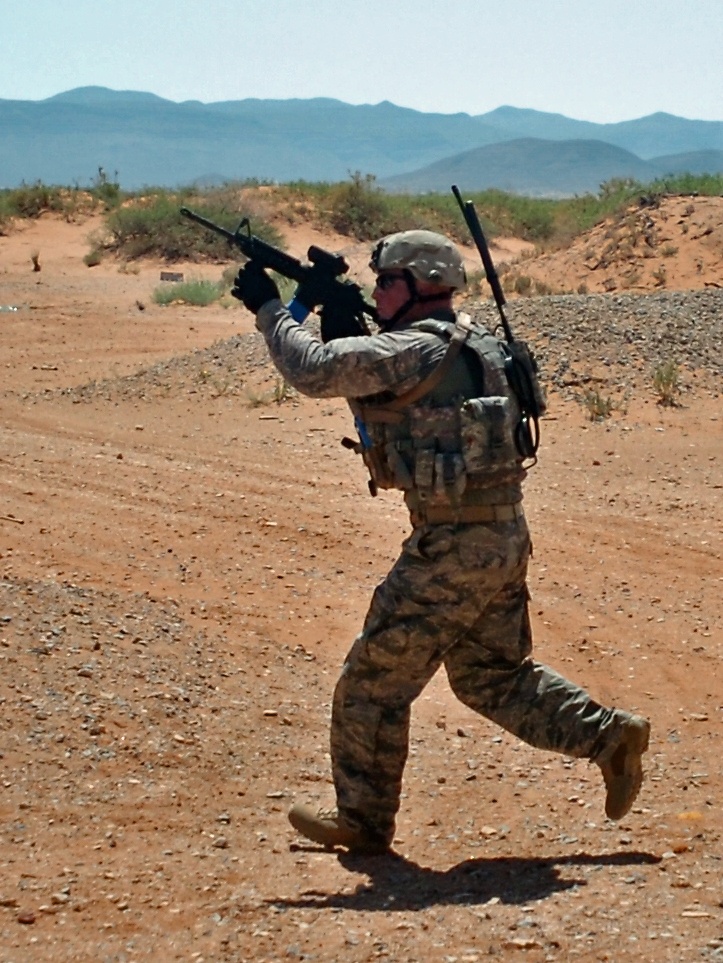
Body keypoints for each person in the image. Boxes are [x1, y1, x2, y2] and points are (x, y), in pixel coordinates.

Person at [231, 230, 651, 856]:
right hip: (502, 535)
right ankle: (609, 737)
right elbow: (387, 381)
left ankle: (362, 821)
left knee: (372, 682)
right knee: (490, 677)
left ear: (419, 285)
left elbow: (313, 371)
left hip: (453, 547)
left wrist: (271, 309)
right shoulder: (474, 343)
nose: (376, 290)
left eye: (385, 281)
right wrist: (341, 319)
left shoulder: (413, 348)